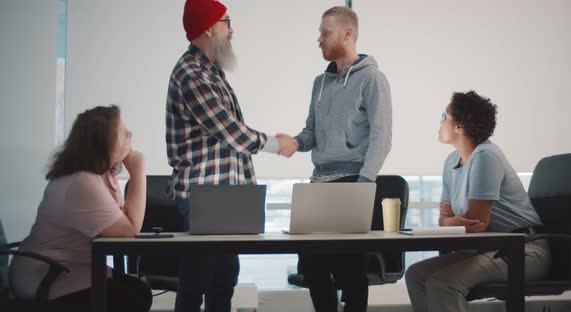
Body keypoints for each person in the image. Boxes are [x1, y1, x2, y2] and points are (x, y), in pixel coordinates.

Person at [165, 1, 292, 311]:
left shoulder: (211, 71)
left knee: (224, 278)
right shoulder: (193, 74)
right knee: (197, 280)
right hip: (203, 197)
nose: (231, 29)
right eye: (226, 22)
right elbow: (231, 132)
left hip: (222, 199)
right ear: (209, 27)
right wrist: (277, 144)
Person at [279, 6, 392, 312]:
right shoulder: (321, 83)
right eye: (320, 33)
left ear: (347, 33)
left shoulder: (372, 79)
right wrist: (294, 142)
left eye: (324, 33)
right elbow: (311, 132)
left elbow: (382, 137)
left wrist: (364, 185)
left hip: (352, 182)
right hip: (319, 183)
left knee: (350, 270)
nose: (319, 39)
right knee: (313, 266)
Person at [404, 91, 551, 312]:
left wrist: (452, 220)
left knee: (444, 284)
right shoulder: (451, 162)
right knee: (415, 275)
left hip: (524, 250)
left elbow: (476, 224)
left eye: (445, 116)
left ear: (459, 126)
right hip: (490, 250)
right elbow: (445, 218)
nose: (440, 121)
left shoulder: (486, 157)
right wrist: (451, 221)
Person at [8, 105, 151, 312]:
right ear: (103, 145)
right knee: (133, 296)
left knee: (136, 292)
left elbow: (123, 224)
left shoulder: (100, 176)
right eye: (123, 134)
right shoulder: (81, 182)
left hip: (65, 268)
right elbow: (128, 230)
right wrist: (138, 171)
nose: (131, 135)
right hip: (45, 274)